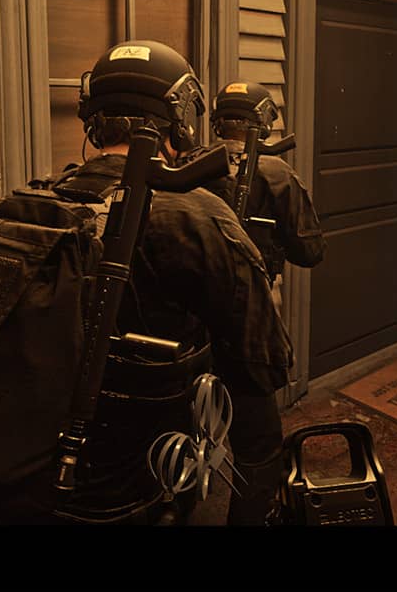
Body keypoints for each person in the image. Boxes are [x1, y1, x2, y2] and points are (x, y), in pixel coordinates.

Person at [57, 41, 292, 525]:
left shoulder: (44, 199)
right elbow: (263, 360)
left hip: (43, 448)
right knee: (264, 439)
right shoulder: (195, 215)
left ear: (92, 117)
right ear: (180, 119)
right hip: (146, 466)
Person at [202, 80, 326, 282]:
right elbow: (310, 251)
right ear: (265, 121)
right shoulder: (276, 173)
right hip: (251, 289)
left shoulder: (191, 163)